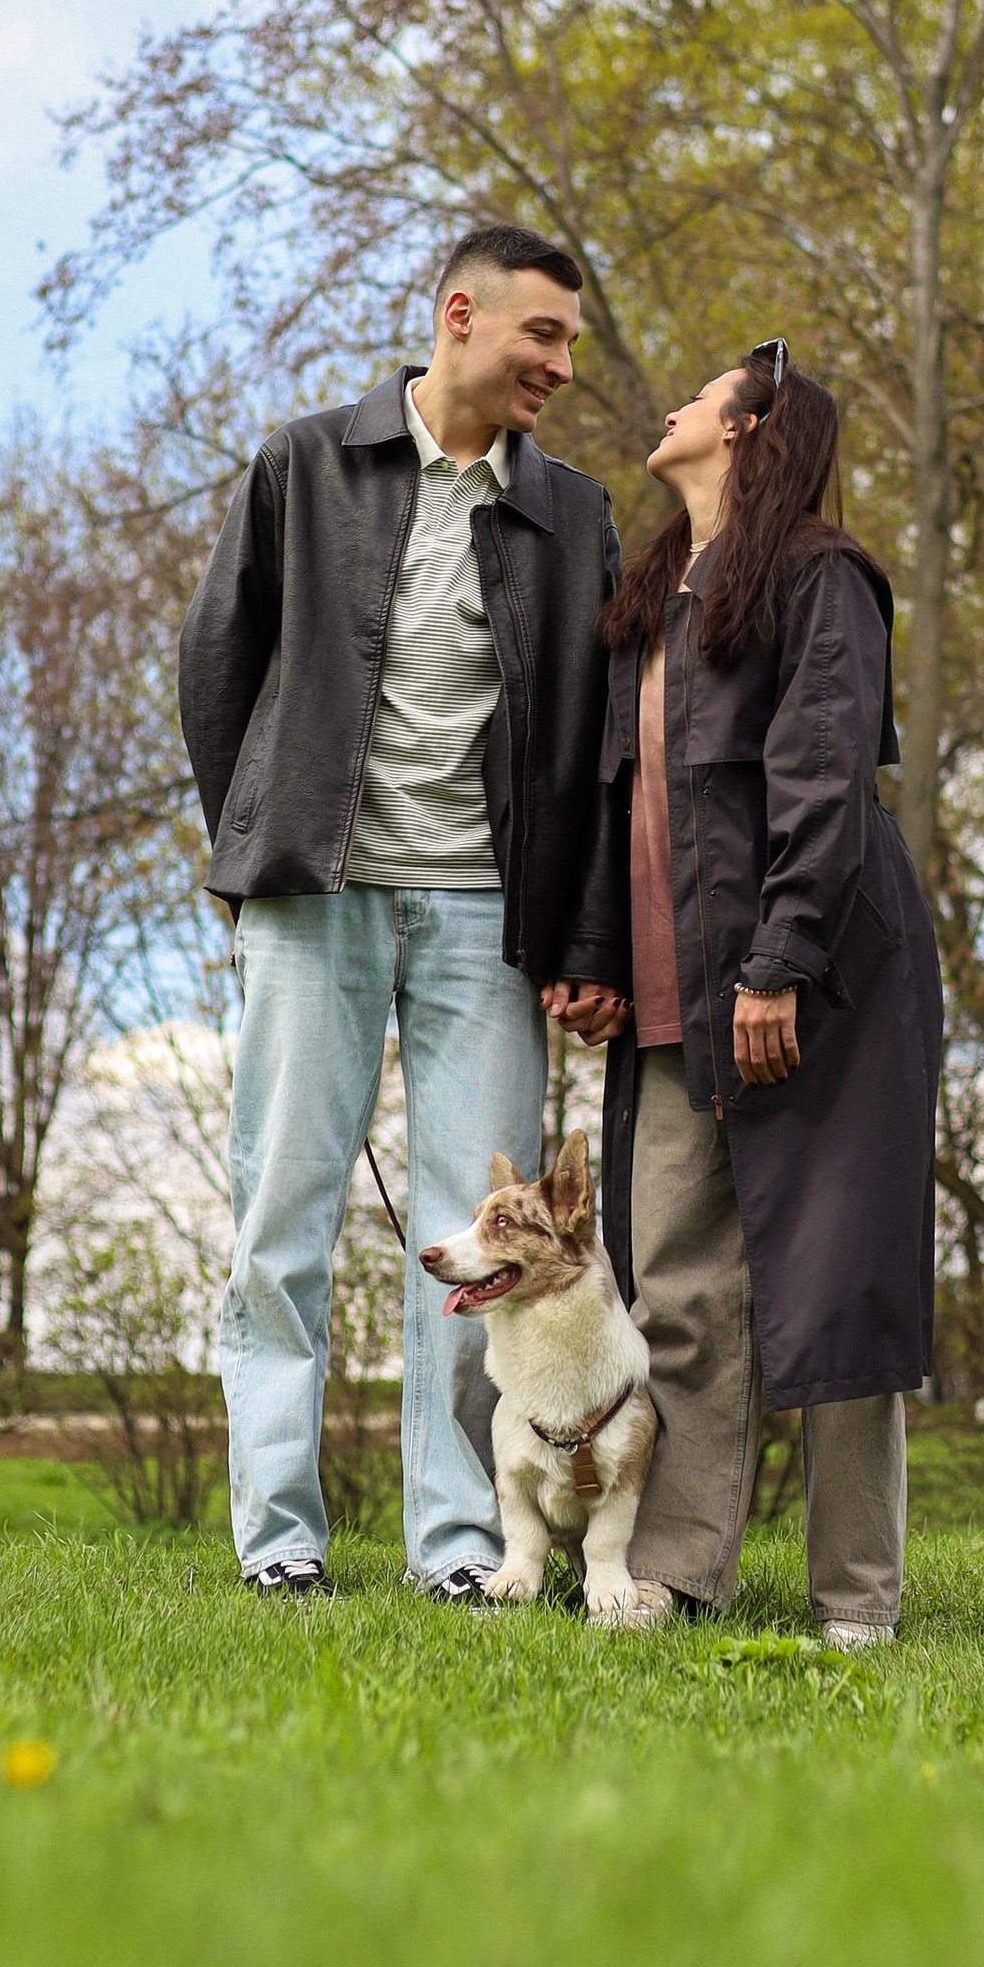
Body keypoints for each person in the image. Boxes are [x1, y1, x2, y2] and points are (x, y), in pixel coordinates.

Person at [179, 223, 632, 1599]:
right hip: (317, 898)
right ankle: (281, 1541)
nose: (560, 363)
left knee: (478, 1236)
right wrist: (255, 842)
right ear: (460, 317)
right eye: (541, 335)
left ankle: (459, 1547)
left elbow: (597, 751)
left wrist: (581, 933)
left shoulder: (576, 519)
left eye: (570, 342)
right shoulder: (307, 465)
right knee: (284, 1214)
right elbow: (220, 666)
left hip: (485, 916)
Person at [599, 342, 943, 1645]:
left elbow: (819, 770)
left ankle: (856, 1600)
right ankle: (680, 1570)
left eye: (706, 393)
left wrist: (781, 962)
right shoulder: (653, 597)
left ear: (750, 433)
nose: (678, 404)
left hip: (817, 988)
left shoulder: (820, 578)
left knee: (840, 1289)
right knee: (681, 1294)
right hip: (675, 999)